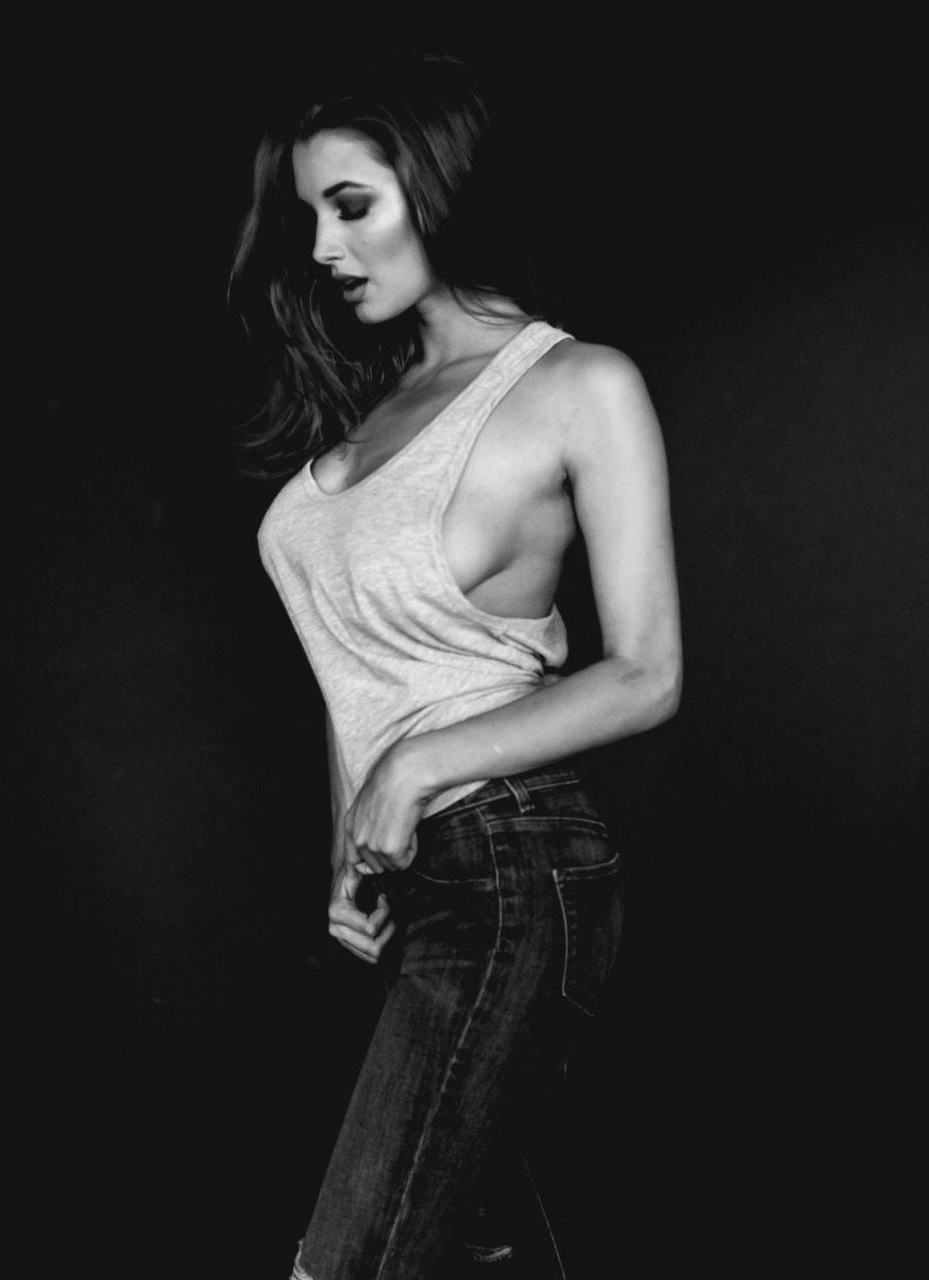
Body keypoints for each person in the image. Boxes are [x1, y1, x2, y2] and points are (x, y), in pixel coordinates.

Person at [229, 51, 681, 1280]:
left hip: (511, 860)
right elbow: (357, 668)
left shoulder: (576, 385)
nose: (322, 246)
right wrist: (351, 838)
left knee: (347, 1263)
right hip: (417, 876)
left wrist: (410, 770)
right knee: (486, 1252)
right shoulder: (374, 400)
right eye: (309, 214)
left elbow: (646, 673)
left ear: (436, 185)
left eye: (351, 205)